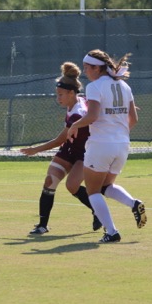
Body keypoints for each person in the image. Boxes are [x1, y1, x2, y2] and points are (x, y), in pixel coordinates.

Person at [67, 49, 147, 243]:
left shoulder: (95, 87)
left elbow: (92, 115)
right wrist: (117, 133)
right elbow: (133, 119)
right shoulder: (124, 86)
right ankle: (133, 203)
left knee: (93, 191)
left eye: (88, 67)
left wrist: (75, 125)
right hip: (122, 145)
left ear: (98, 68)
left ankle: (111, 232)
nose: (85, 71)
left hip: (101, 145)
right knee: (105, 186)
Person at [21, 62, 102, 235]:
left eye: (60, 95)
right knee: (50, 182)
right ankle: (42, 225)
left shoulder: (77, 113)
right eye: (57, 94)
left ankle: (98, 211)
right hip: (69, 150)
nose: (58, 98)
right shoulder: (78, 102)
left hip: (85, 153)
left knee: (72, 186)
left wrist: (36, 149)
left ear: (71, 93)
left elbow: (60, 140)